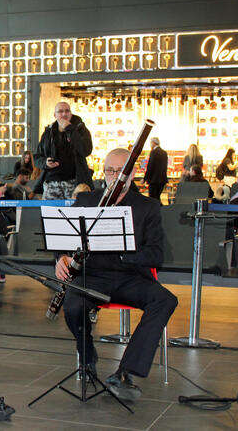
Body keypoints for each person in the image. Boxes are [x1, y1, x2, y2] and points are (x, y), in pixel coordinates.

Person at [56, 148, 177, 402]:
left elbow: (157, 255)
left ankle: (125, 371)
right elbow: (64, 242)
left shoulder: (148, 207)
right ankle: (87, 356)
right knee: (73, 305)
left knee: (165, 300)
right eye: (110, 170)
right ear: (104, 172)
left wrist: (123, 253)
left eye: (120, 171)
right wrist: (61, 258)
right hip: (92, 276)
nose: (114, 176)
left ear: (132, 174)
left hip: (130, 277)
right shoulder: (87, 202)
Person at [35, 102, 93, 199]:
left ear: (71, 113)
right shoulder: (48, 132)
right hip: (52, 182)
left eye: (67, 111)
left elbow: (86, 150)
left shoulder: (80, 128)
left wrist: (70, 129)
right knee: (49, 213)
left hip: (75, 182)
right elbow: (37, 157)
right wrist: (46, 162)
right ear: (55, 115)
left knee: (73, 213)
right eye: (60, 111)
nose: (64, 114)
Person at [144, 138, 168, 202]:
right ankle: (161, 210)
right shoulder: (164, 152)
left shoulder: (153, 152)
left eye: (150, 143)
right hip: (162, 180)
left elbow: (150, 167)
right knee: (157, 197)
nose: (150, 145)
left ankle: (156, 211)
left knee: (152, 199)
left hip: (154, 180)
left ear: (153, 143)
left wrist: (145, 178)